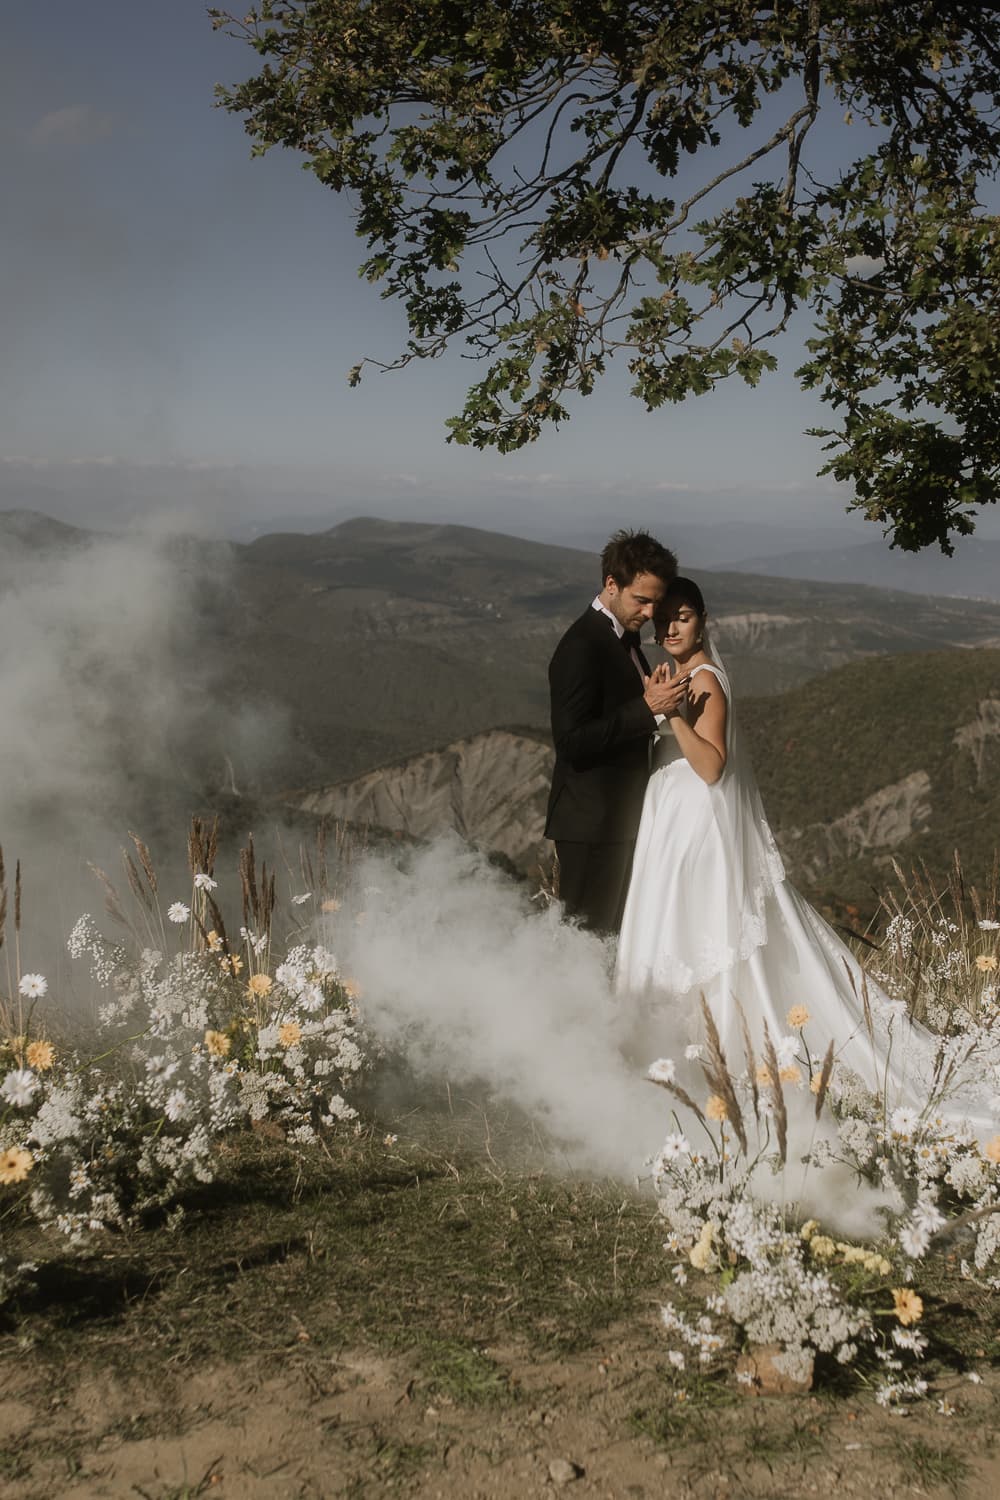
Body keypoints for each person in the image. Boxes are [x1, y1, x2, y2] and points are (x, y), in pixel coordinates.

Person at [614, 577, 989, 1112]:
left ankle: (706, 1055)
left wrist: (670, 713)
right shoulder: (682, 675)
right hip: (679, 824)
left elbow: (713, 766)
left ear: (703, 621)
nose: (671, 626)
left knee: (696, 930)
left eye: (684, 616)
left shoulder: (704, 683)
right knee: (686, 927)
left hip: (697, 825)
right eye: (665, 618)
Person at [545, 529, 684, 935]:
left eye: (656, 602)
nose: (648, 612)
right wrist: (646, 709)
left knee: (609, 941)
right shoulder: (581, 646)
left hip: (617, 820)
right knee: (584, 946)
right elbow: (570, 743)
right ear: (611, 584)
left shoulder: (626, 640)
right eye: (641, 600)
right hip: (591, 825)